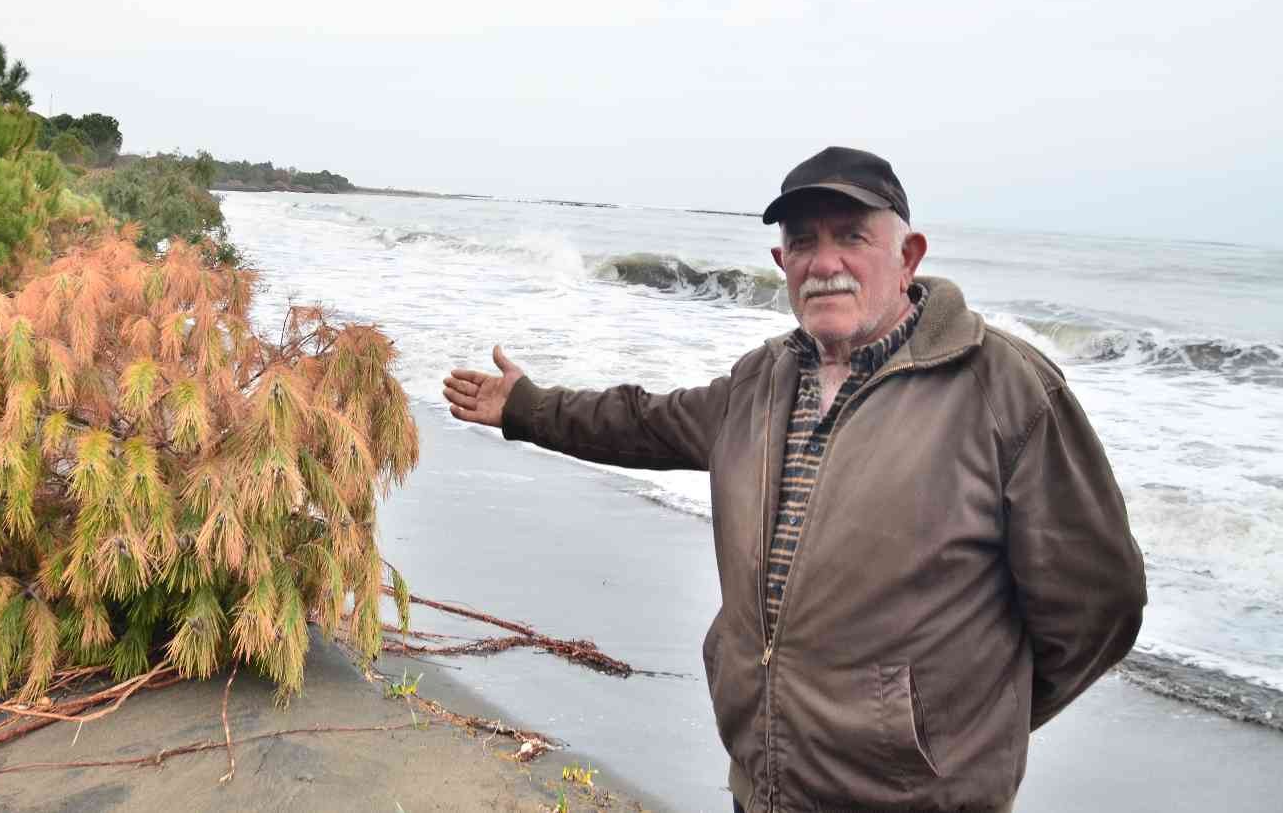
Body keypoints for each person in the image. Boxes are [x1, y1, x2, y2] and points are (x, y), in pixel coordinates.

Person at [442, 147, 1146, 813]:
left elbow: (1100, 604)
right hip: (764, 781)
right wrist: (527, 407)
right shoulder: (764, 380)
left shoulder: (1003, 390)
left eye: (851, 236)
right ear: (783, 263)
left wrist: (964, 726)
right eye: (803, 241)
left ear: (908, 256)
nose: (825, 262)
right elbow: (643, 422)